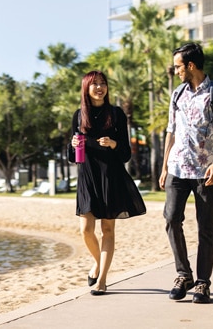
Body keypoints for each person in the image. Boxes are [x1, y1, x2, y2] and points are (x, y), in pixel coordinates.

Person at [159, 43, 213, 304]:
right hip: (178, 169)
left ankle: (203, 283)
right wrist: (165, 164)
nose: (175, 70)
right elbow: (171, 131)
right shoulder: (177, 94)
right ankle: (183, 274)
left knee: (206, 228)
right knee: (170, 219)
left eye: (178, 66)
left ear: (191, 65)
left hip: (205, 172)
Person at [70, 70, 146, 296]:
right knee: (85, 230)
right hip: (87, 177)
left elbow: (125, 154)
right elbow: (72, 155)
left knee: (107, 229)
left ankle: (102, 280)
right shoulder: (78, 115)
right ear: (86, 88)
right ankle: (97, 263)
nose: (100, 88)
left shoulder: (116, 114)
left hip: (110, 177)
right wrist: (73, 145)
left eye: (103, 84)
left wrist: (113, 143)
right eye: (95, 84)